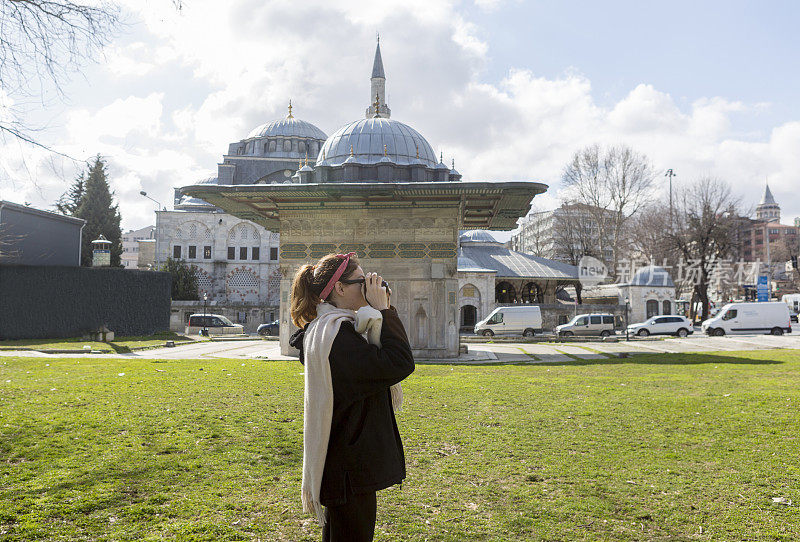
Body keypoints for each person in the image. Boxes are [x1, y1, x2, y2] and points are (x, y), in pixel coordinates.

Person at [288, 252, 414, 541]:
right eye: (363, 280)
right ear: (340, 289)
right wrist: (385, 311)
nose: (372, 285)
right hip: (349, 469)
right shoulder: (338, 336)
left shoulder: (328, 329)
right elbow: (399, 363)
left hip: (342, 463)